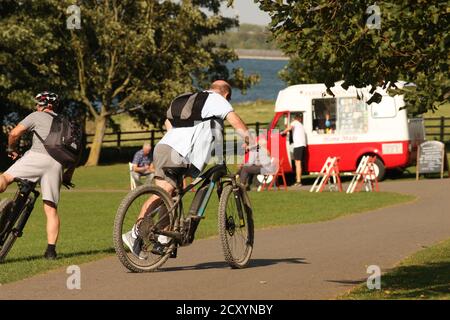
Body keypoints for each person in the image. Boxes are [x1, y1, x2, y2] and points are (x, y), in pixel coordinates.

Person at [122, 80, 254, 258]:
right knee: (165, 192)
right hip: (179, 152)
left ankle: (161, 238)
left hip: (165, 147)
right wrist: (251, 142)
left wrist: (180, 137)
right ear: (226, 95)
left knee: (172, 195)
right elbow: (235, 121)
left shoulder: (190, 99)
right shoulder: (217, 99)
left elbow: (168, 121)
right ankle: (135, 233)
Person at [0, 92, 76, 260]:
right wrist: (68, 175)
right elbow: (74, 154)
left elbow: (14, 134)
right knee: (51, 209)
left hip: (36, 157)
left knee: (5, 177)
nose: (36, 107)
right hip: (57, 165)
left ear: (45, 105)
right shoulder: (67, 123)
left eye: (38, 104)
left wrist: (11, 150)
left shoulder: (37, 115)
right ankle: (50, 251)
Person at [282, 113, 306, 186]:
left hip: (298, 145)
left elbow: (289, 128)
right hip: (301, 145)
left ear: (295, 118)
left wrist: (282, 132)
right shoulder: (301, 125)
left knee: (297, 163)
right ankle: (298, 180)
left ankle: (298, 181)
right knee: (298, 163)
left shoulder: (294, 123)